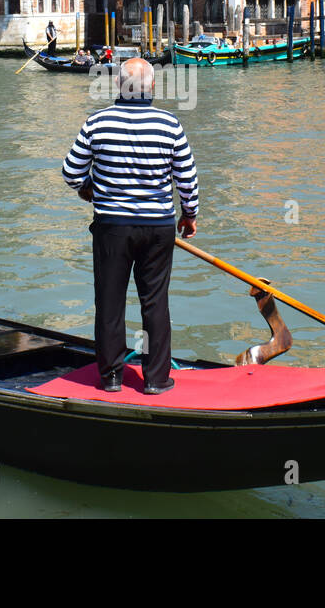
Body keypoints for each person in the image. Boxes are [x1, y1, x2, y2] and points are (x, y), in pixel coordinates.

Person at [62, 57, 198, 395]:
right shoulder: (170, 124)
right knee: (155, 302)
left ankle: (110, 377)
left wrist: (88, 189)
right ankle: (155, 379)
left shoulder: (98, 122)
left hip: (112, 227)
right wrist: (189, 214)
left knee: (110, 301)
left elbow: (70, 171)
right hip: (157, 227)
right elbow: (187, 177)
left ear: (118, 87)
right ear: (152, 87)